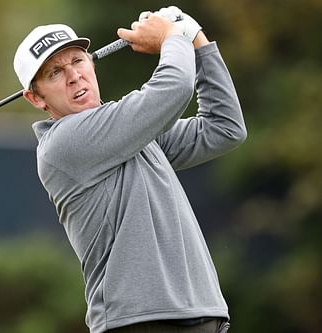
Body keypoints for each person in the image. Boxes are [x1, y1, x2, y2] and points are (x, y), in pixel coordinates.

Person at [13, 5, 246, 333]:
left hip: (201, 316)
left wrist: (198, 42)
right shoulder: (64, 144)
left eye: (78, 61)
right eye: (55, 73)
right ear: (36, 99)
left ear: (91, 64)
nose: (73, 76)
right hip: (139, 323)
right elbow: (173, 89)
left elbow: (224, 128)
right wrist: (172, 36)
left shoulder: (132, 132)